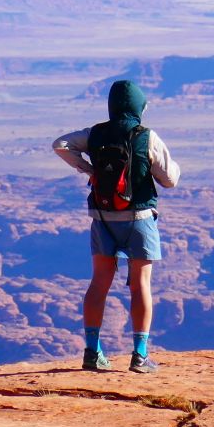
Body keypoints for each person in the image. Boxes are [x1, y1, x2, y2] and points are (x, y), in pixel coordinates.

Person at [51, 79, 181, 373]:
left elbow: (60, 144)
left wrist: (88, 168)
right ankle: (140, 356)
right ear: (138, 107)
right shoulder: (145, 136)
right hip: (139, 220)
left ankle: (92, 352)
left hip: (102, 219)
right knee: (140, 286)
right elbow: (170, 180)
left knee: (99, 284)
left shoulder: (95, 134)